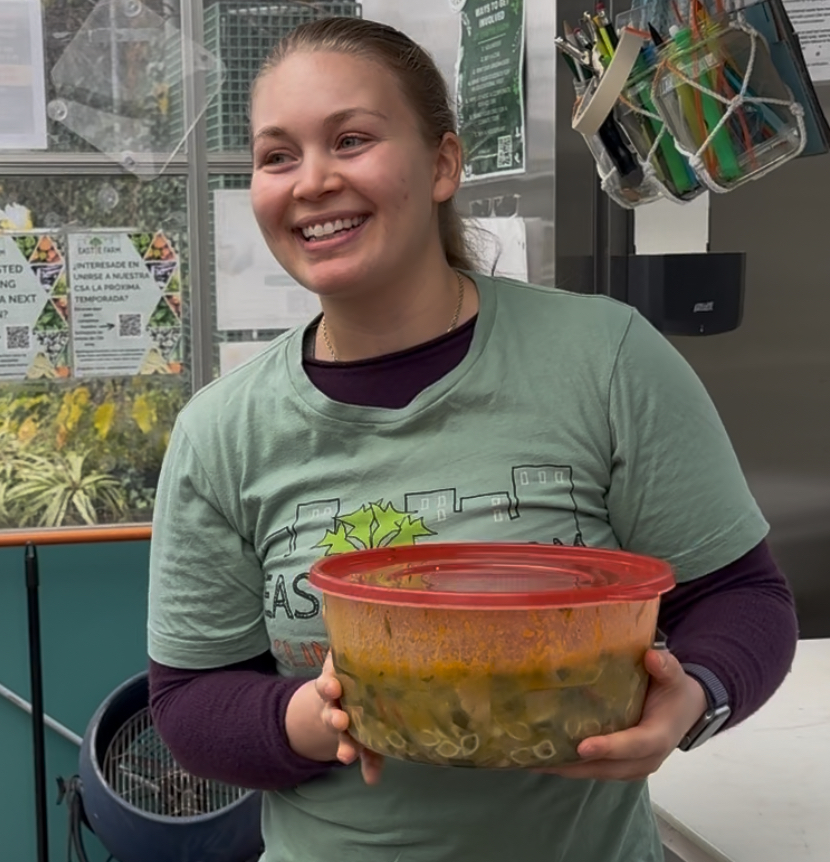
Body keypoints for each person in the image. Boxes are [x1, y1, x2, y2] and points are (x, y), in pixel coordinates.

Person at [147, 16, 798, 862]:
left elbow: (744, 597)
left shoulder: (606, 360)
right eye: (277, 155)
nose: (312, 181)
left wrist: (693, 699)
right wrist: (312, 718)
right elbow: (189, 702)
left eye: (351, 139)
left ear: (443, 164)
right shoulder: (221, 433)